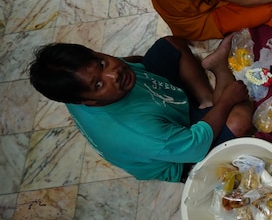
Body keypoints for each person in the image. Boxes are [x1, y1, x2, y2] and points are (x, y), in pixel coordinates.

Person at [28, 36, 252, 182]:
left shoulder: (81, 80)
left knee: (170, 46)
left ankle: (206, 101)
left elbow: (135, 62)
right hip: (181, 156)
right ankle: (220, 70)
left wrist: (141, 66)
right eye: (98, 85)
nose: (113, 75)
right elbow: (195, 147)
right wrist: (226, 102)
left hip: (163, 114)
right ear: (88, 102)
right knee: (239, 119)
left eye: (102, 63)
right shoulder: (133, 131)